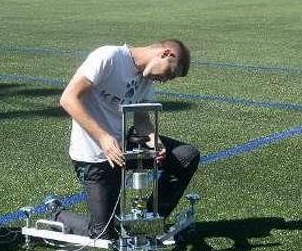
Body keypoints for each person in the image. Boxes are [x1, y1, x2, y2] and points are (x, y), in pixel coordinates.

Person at [55, 40, 199, 239]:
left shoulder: (146, 79)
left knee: (186, 156)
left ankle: (147, 219)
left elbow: (141, 121)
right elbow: (69, 99)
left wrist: (154, 142)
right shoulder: (109, 57)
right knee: (104, 235)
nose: (165, 80)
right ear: (166, 54)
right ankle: (57, 214)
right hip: (94, 154)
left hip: (122, 147)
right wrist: (104, 139)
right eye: (170, 73)